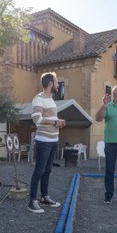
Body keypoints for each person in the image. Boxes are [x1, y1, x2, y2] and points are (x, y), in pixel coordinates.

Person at [27, 72, 66, 214]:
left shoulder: (51, 100)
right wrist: (56, 122)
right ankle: (32, 201)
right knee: (39, 171)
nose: (57, 85)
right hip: (43, 141)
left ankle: (44, 197)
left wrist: (59, 122)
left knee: (47, 171)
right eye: (56, 82)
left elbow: (49, 119)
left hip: (53, 140)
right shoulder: (38, 98)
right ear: (50, 84)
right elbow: (37, 118)